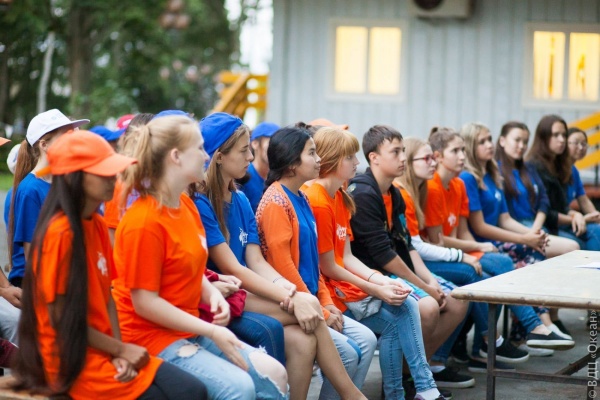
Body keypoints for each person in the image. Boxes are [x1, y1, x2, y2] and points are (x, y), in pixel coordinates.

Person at [10, 130, 207, 399]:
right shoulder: (60, 234)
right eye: (103, 172)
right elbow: (61, 321)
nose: (113, 177)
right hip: (70, 361)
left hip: (103, 349)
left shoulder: (98, 225)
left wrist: (119, 351)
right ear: (75, 176)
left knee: (192, 389)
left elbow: (108, 298)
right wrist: (118, 349)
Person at [111, 115, 288, 400]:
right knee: (239, 387)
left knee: (275, 373)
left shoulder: (184, 204)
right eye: (199, 148)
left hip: (188, 328)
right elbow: (145, 303)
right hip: (152, 337)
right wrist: (211, 330)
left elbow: (191, 268)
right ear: (176, 156)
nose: (207, 156)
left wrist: (211, 294)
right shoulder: (143, 221)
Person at [196, 113, 366, 400]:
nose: (251, 156)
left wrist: (290, 292)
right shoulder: (204, 202)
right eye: (244, 150)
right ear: (220, 157)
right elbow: (233, 268)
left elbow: (257, 261)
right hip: (225, 294)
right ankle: (354, 396)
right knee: (312, 311)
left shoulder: (240, 199)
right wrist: (291, 297)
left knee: (303, 340)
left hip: (245, 290)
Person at [305, 126, 444, 400]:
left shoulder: (341, 197)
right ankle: (417, 390)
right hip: (331, 295)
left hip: (344, 287)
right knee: (401, 311)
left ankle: (419, 389)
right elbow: (328, 267)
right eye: (350, 157)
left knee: (405, 303)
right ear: (332, 160)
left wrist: (379, 280)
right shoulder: (319, 201)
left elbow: (347, 256)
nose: (357, 163)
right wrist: (377, 287)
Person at [346, 125, 471, 390]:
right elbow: (383, 256)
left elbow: (407, 246)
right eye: (395, 152)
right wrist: (424, 287)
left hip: (393, 270)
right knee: (428, 306)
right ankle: (404, 380)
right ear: (373, 158)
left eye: (403, 151)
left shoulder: (394, 193)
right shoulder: (364, 194)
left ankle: (415, 371)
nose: (403, 158)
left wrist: (430, 280)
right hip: (370, 276)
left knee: (458, 301)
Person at [255, 124, 370, 400]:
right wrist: (319, 308)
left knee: (365, 341)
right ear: (292, 164)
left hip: (312, 299)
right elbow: (284, 268)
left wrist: (326, 301)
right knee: (350, 353)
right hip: (288, 300)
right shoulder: (276, 202)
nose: (319, 160)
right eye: (311, 153)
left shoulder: (302, 198)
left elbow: (312, 262)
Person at [398, 136, 530, 372]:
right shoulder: (421, 189)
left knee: (493, 269)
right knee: (476, 275)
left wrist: (470, 250)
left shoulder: (435, 187)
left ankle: (482, 345)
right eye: (428, 158)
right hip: (411, 264)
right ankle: (497, 337)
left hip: (425, 258)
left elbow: (453, 235)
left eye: (462, 150)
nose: (433, 163)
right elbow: (421, 245)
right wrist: (462, 255)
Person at [459, 122, 574, 349]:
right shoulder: (468, 178)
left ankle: (534, 329)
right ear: (470, 145)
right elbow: (479, 228)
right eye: (482, 141)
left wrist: (531, 234)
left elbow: (505, 219)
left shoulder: (492, 174)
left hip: (498, 240)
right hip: (482, 244)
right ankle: (538, 326)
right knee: (529, 255)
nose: (489, 144)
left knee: (534, 251)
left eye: (489, 139)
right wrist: (524, 239)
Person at [7, 109, 89, 288]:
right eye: (66, 137)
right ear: (44, 145)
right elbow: (33, 255)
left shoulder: (63, 181)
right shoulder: (30, 189)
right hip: (46, 287)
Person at [495, 121, 579, 257]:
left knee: (576, 243)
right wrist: (531, 233)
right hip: (514, 229)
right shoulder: (496, 171)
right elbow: (503, 219)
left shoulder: (529, 168)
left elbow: (543, 201)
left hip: (536, 224)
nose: (521, 146)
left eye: (525, 142)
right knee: (573, 247)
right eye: (517, 140)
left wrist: (536, 228)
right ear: (502, 141)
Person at [526, 115, 600, 252]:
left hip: (559, 221)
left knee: (596, 230)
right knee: (581, 242)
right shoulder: (534, 166)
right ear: (544, 137)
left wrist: (581, 215)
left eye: (564, 135)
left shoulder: (563, 167)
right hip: (542, 224)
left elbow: (568, 204)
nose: (561, 140)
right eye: (556, 135)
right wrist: (577, 217)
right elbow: (545, 210)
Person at [240, 121, 280, 212]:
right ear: (255, 143)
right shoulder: (243, 177)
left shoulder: (279, 179)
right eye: (271, 143)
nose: (275, 149)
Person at [566, 126, 600, 227]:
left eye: (584, 144)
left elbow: (583, 199)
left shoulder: (574, 171)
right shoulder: (556, 169)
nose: (581, 148)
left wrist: (596, 217)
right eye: (576, 143)